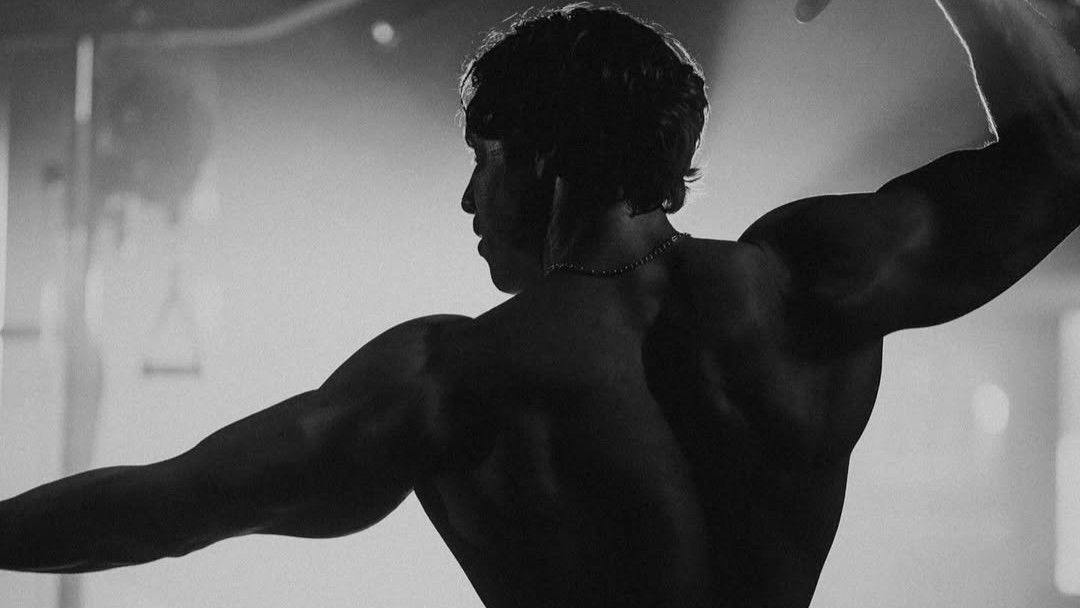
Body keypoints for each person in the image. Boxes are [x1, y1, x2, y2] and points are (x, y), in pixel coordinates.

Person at [2, 1, 1079, 606]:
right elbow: (1061, 148)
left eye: (484, 160)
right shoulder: (810, 286)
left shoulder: (452, 380)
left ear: (545, 159)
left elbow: (171, 506)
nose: (470, 199)